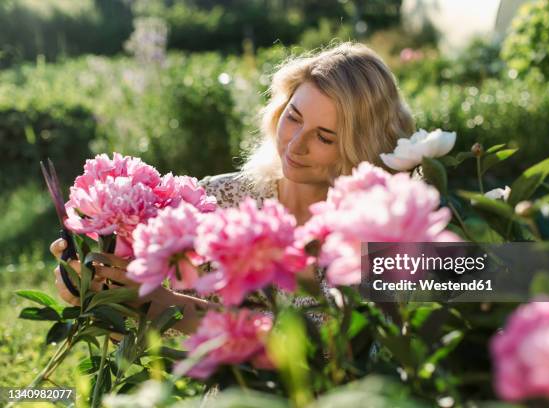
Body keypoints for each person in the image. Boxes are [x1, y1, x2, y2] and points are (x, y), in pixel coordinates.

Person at [49, 42, 417, 334]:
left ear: (360, 148)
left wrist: (167, 306)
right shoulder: (219, 199)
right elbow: (139, 321)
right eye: (294, 117)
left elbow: (331, 352)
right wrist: (99, 289)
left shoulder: (381, 235)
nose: (295, 144)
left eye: (324, 137)